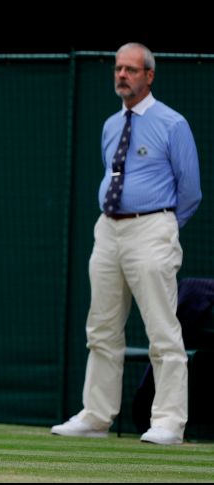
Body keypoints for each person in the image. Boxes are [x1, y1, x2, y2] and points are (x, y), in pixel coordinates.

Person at [51, 43, 202, 445]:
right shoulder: (110, 125)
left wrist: (163, 226)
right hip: (108, 230)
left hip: (152, 228)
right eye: (118, 68)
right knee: (100, 327)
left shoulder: (172, 123)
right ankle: (96, 416)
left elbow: (190, 190)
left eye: (131, 70)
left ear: (149, 76)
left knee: (163, 329)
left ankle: (169, 422)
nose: (122, 75)